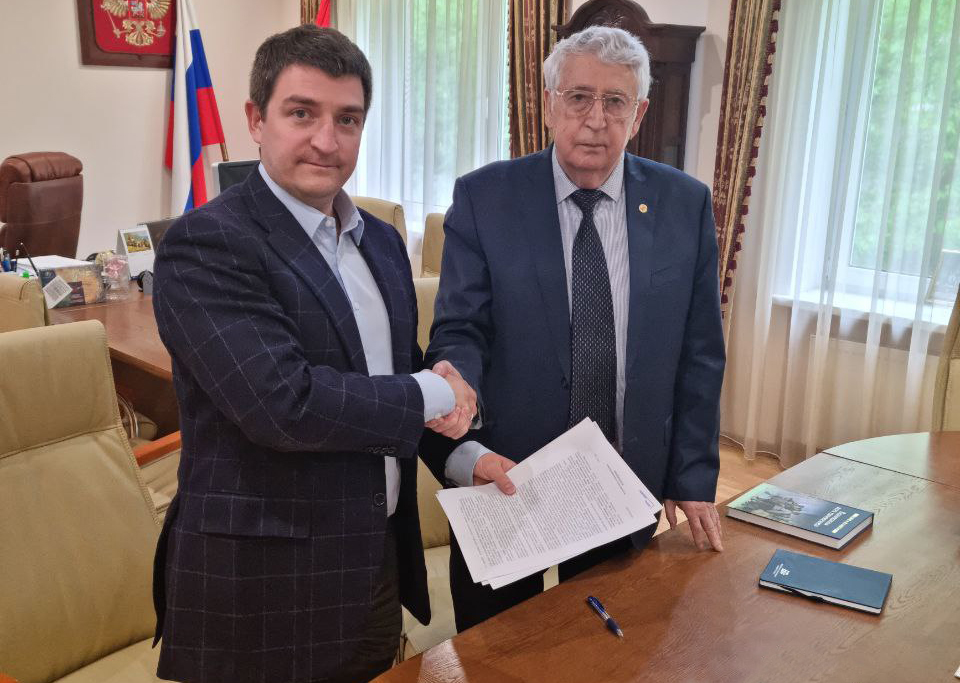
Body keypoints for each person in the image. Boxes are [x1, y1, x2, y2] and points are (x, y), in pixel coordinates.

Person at [151, 25, 475, 683]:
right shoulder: (206, 244)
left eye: (347, 119)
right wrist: (438, 391)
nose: (328, 140)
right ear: (256, 120)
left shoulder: (381, 241)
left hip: (375, 563)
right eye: (302, 113)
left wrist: (466, 455)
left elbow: (393, 378)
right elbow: (285, 403)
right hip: (264, 587)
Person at [422, 25, 726, 632]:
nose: (595, 119)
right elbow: (461, 327)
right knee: (499, 653)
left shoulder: (683, 203)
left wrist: (692, 475)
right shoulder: (485, 198)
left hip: (623, 478)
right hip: (509, 478)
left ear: (639, 114)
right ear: (548, 104)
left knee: (611, 646)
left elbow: (700, 352)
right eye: (579, 97)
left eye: (615, 102)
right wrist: (457, 384)